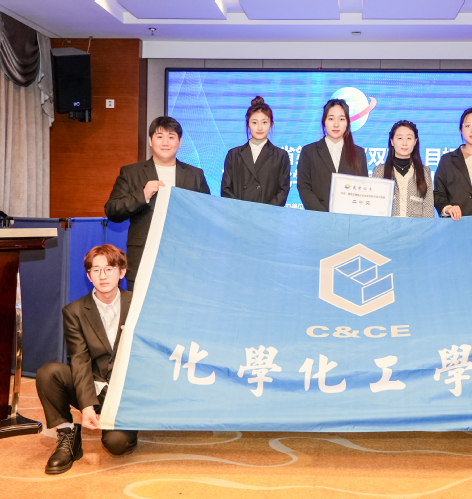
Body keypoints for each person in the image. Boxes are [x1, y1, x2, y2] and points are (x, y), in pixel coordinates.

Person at [35, 244, 138, 474]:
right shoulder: (74, 312)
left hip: (125, 394)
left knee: (116, 445)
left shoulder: (138, 306)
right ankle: (68, 433)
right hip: (93, 386)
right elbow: (79, 360)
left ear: (122, 272)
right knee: (49, 373)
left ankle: (124, 424)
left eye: (109, 269)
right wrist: (86, 405)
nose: (103, 276)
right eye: (96, 270)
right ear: (89, 276)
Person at [105, 116, 210, 291]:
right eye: (160, 136)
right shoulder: (131, 173)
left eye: (171, 137)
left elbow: (206, 215)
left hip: (184, 260)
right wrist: (142, 195)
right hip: (143, 258)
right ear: (150, 141)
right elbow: (112, 210)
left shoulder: (195, 175)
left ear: (180, 142)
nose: (165, 142)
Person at [297, 98, 368, 211]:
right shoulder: (309, 152)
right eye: (331, 118)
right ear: (324, 121)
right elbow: (304, 187)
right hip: (318, 217)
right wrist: (323, 215)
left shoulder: (359, 153)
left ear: (347, 123)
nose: (336, 124)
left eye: (341, 119)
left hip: (349, 218)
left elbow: (363, 188)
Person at [221, 96, 291, 205]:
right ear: (248, 124)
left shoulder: (280, 156)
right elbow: (226, 189)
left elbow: (283, 191)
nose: (259, 128)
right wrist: (239, 210)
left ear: (271, 123)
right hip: (238, 213)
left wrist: (265, 212)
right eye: (254, 122)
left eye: (264, 122)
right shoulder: (234, 154)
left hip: (268, 213)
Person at [371, 120, 434, 218]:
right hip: (388, 227)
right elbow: (374, 207)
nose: (404, 143)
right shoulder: (379, 171)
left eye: (409, 138)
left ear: (415, 142)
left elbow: (428, 210)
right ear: (392, 141)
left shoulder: (424, 172)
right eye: (400, 138)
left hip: (416, 227)